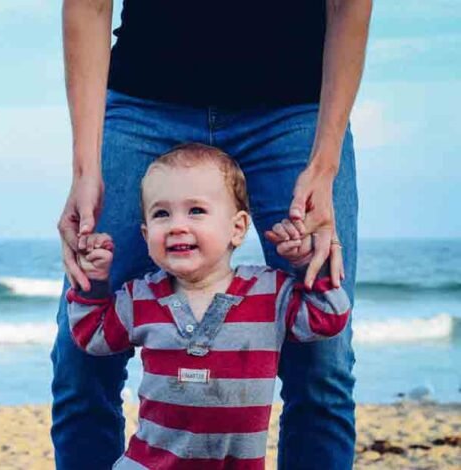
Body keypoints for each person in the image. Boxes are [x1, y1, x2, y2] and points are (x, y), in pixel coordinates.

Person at [53, 1, 371, 468]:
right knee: (80, 363)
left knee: (325, 365)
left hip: (295, 107)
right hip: (143, 102)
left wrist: (324, 166)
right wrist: (86, 169)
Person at [66, 144, 351, 469]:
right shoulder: (139, 297)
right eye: (161, 214)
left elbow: (329, 318)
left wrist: (306, 265)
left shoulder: (270, 293)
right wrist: (95, 282)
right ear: (146, 234)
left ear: (237, 228)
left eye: (196, 211)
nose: (176, 225)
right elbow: (92, 336)